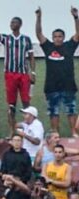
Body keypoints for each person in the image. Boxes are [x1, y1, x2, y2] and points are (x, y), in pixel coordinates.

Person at [35, 7, 79, 136]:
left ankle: (73, 132)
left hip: (68, 86)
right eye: (55, 36)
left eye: (60, 36)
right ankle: (56, 133)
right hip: (51, 87)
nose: (58, 38)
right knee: (53, 112)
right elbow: (39, 34)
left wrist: (76, 17)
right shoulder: (48, 47)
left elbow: (78, 33)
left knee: (71, 110)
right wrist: (38, 17)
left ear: (63, 37)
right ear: (52, 38)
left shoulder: (69, 46)